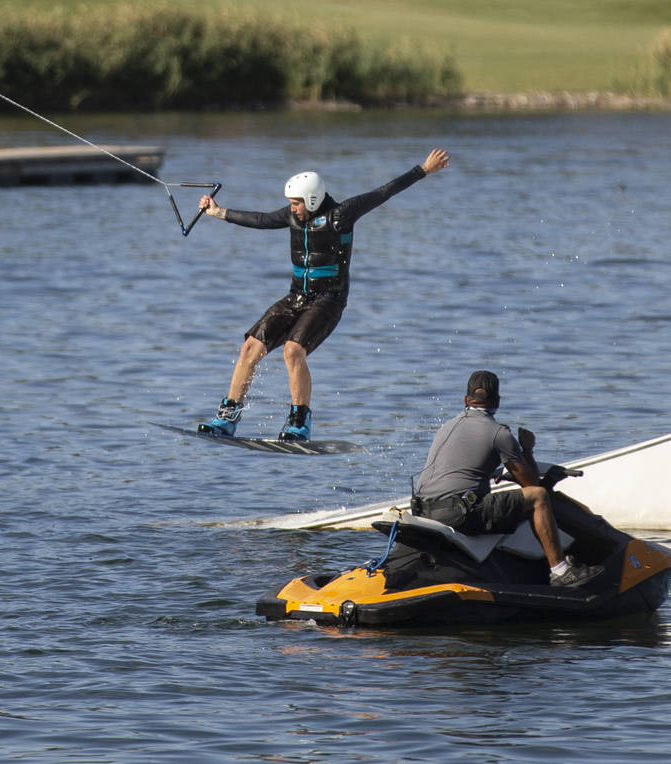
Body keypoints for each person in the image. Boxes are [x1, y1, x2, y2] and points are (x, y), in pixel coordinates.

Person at [196, 148, 451, 441]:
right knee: (250, 347)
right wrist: (219, 212)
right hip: (297, 297)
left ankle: (299, 422)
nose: (291, 209)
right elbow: (262, 219)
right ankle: (227, 417)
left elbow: (385, 192)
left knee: (293, 351)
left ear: (313, 199)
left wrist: (424, 169)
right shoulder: (292, 216)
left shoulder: (342, 215)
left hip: (329, 300)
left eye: (296, 204)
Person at [410, 370, 603, 587]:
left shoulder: (446, 427)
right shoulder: (499, 434)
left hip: (422, 509)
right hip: (458, 513)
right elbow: (530, 483)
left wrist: (491, 470)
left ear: (465, 400)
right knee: (538, 497)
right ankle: (560, 571)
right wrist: (527, 449)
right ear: (497, 401)